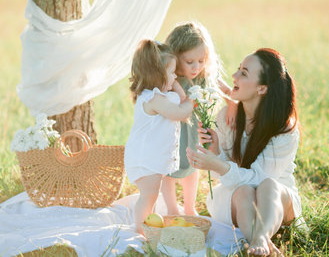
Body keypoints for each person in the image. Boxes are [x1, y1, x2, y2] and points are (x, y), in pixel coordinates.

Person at [187, 48, 303, 256]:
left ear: (262, 89)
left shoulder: (284, 129)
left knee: (267, 185)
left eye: (244, 73)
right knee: (243, 192)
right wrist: (215, 154)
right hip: (239, 199)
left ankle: (259, 238)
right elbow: (221, 177)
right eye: (238, 69)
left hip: (276, 200)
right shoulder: (227, 117)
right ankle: (259, 241)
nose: (234, 76)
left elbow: (260, 179)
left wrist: (218, 164)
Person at [161, 21, 237, 216]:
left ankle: (189, 207)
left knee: (193, 165)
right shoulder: (170, 77)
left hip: (193, 130)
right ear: (176, 57)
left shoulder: (203, 74)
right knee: (167, 168)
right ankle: (171, 208)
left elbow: (221, 86)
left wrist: (231, 103)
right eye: (189, 62)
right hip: (171, 129)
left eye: (201, 61)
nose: (196, 67)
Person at [124, 39, 193, 234]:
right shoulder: (154, 99)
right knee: (148, 196)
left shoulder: (158, 96)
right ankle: (139, 229)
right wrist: (191, 101)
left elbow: (177, 101)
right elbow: (181, 112)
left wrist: (177, 87)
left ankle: (149, 224)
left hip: (150, 158)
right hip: (145, 160)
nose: (175, 77)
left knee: (151, 196)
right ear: (157, 75)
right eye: (172, 73)